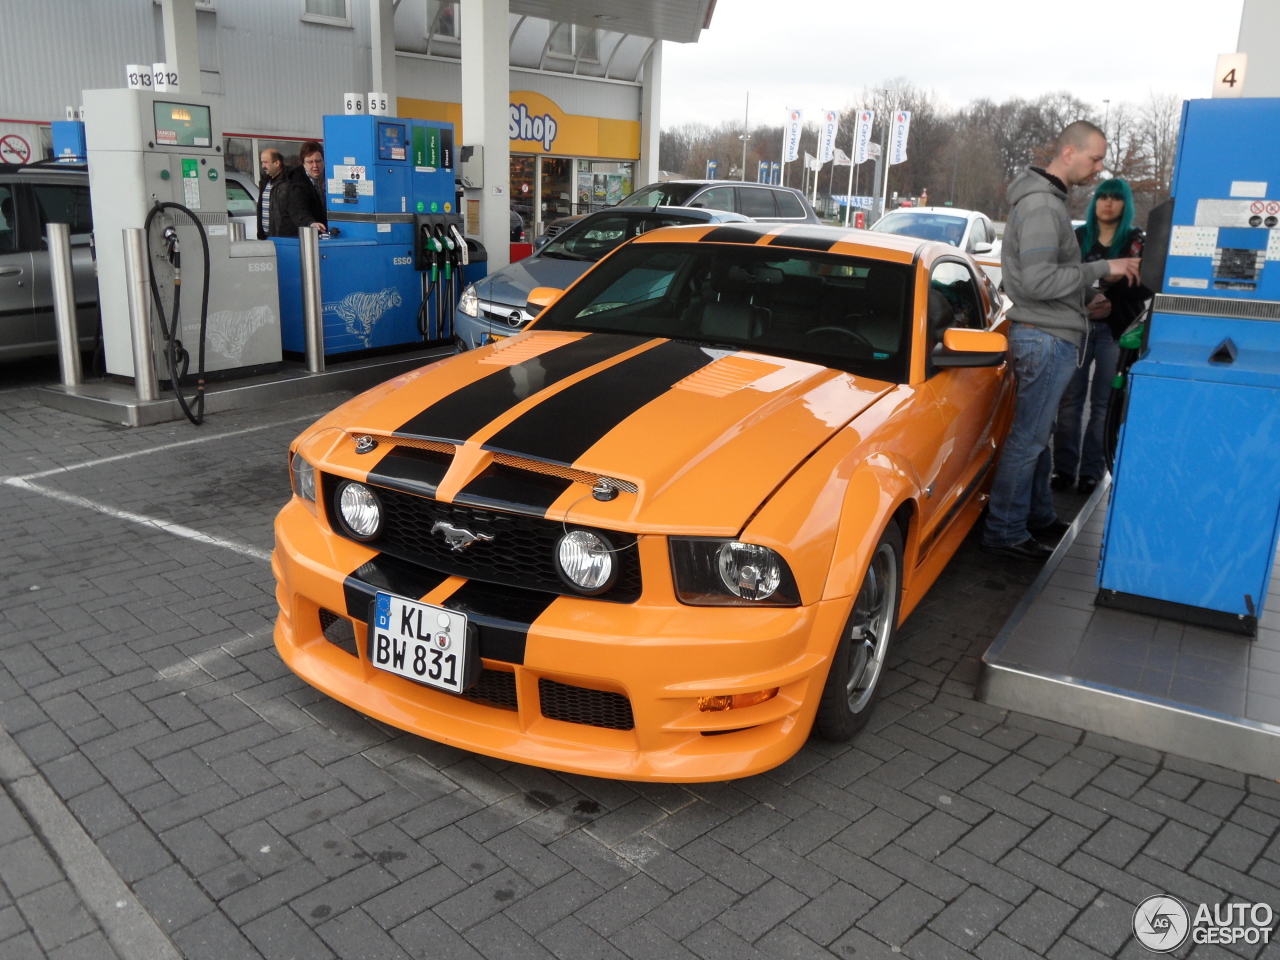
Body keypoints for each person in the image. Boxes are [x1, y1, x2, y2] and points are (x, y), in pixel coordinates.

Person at [982, 121, 1141, 561]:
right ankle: (1005, 531)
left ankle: (1036, 516)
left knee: (1036, 436)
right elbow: (1035, 281)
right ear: (1069, 153)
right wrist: (1101, 270)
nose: (1099, 168)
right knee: (1028, 440)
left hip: (1050, 331)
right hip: (1045, 337)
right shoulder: (1041, 207)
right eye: (1095, 158)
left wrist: (1084, 300)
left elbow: (1044, 279)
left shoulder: (1048, 202)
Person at [1051, 178, 1149, 496]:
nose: (1108, 202)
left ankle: (1092, 472)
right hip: (1079, 325)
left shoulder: (1136, 241)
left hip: (1116, 330)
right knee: (1069, 402)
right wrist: (1090, 296)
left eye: (1115, 198)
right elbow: (1063, 278)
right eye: (1103, 196)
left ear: (1125, 204)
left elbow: (1146, 284)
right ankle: (1063, 470)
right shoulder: (1080, 236)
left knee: (1104, 404)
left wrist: (1106, 285)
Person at [279, 140, 327, 236]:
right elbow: (298, 209)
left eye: (318, 161)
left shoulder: (330, 179)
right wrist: (310, 223)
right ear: (303, 164)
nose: (315, 166)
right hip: (296, 237)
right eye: (310, 162)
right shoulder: (296, 184)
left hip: (320, 234)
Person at [256, 148, 289, 240]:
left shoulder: (288, 183)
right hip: (266, 236)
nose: (263, 166)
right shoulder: (265, 181)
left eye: (266, 162)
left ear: (277, 163)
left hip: (281, 237)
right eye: (262, 162)